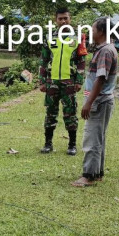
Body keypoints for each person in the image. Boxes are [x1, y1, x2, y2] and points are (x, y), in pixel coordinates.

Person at [72, 16, 118, 187]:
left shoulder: (105, 51)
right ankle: (97, 173)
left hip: (99, 101)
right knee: (99, 138)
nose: (90, 32)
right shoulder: (105, 49)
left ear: (102, 31)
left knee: (92, 138)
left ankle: (88, 176)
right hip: (102, 100)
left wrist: (88, 103)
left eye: (92, 29)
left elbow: (101, 79)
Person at [39, 8, 85, 155]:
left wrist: (79, 80)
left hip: (69, 82)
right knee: (50, 113)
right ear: (56, 20)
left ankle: (72, 145)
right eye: (60, 18)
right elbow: (43, 60)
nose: (63, 21)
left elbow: (81, 61)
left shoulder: (78, 37)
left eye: (66, 18)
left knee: (70, 113)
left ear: (70, 19)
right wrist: (42, 81)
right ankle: (48, 144)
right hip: (52, 82)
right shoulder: (49, 37)